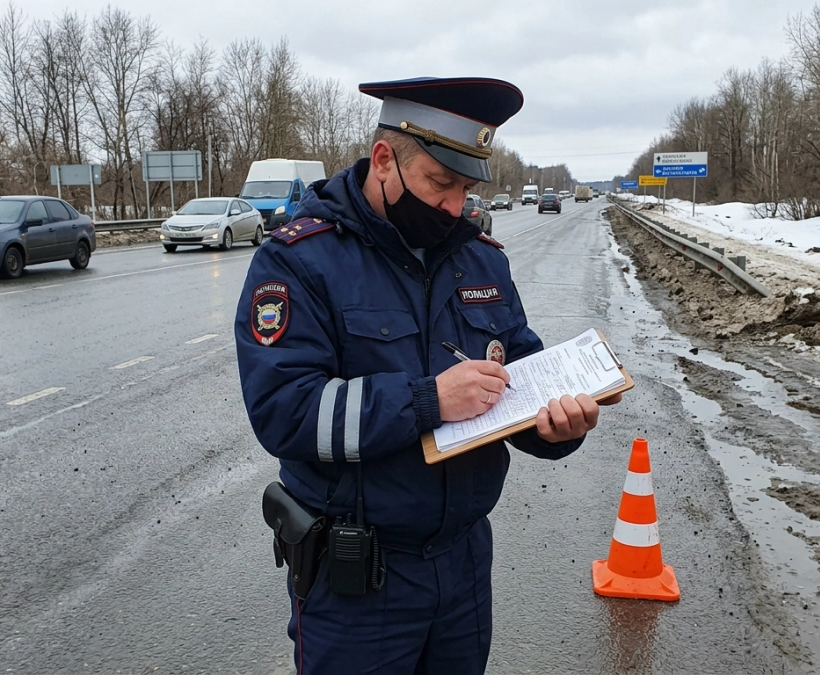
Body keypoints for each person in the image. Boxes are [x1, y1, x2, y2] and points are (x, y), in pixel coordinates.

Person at [235, 76, 621, 674]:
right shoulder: (298, 259)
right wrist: (428, 401)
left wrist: (556, 427)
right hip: (357, 581)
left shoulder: (480, 259)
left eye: (465, 188)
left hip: (463, 566)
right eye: (440, 184)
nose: (453, 206)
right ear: (385, 160)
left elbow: (517, 375)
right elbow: (284, 410)